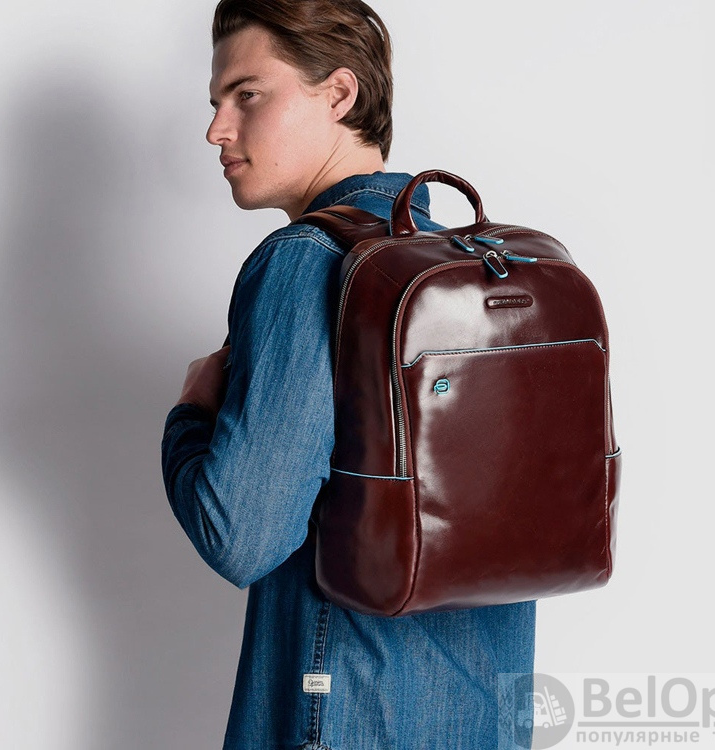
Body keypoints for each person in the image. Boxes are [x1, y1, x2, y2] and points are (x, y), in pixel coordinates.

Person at [161, 1, 536, 747]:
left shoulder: (307, 262)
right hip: (487, 714)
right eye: (214, 103)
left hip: (341, 710)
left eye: (247, 95)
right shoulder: (477, 264)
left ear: (339, 94)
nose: (217, 130)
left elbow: (241, 535)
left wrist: (191, 417)